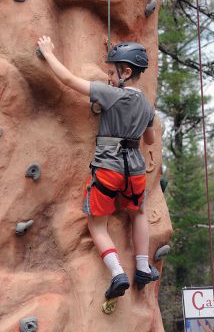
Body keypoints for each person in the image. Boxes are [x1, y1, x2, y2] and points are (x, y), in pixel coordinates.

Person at [37, 36, 159, 300]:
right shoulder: (146, 104)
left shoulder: (111, 94)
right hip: (135, 171)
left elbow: (69, 80)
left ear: (126, 72)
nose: (109, 75)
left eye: (112, 71)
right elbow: (149, 140)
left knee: (97, 225)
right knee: (138, 213)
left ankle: (117, 273)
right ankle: (141, 267)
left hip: (108, 169)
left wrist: (48, 53)